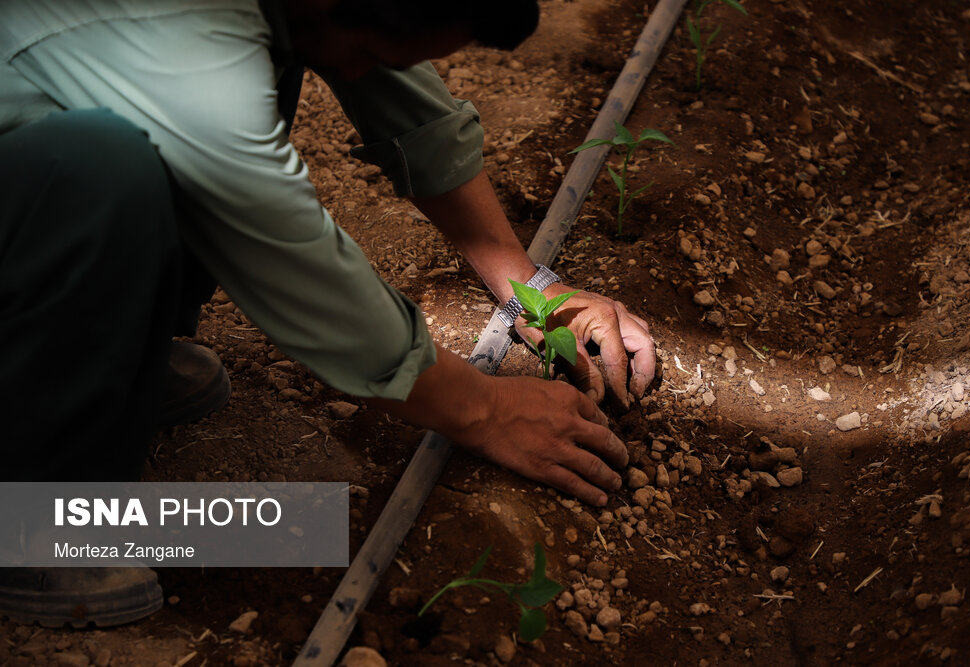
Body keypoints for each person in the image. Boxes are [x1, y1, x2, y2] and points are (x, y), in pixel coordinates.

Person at [0, 0, 656, 626]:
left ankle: (102, 363)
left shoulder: (301, 10)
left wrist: (531, 287)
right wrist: (482, 407)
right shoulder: (192, 43)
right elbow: (292, 259)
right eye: (367, 50)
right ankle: (40, 520)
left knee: (277, 59)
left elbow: (397, 93)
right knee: (97, 166)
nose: (355, 72)